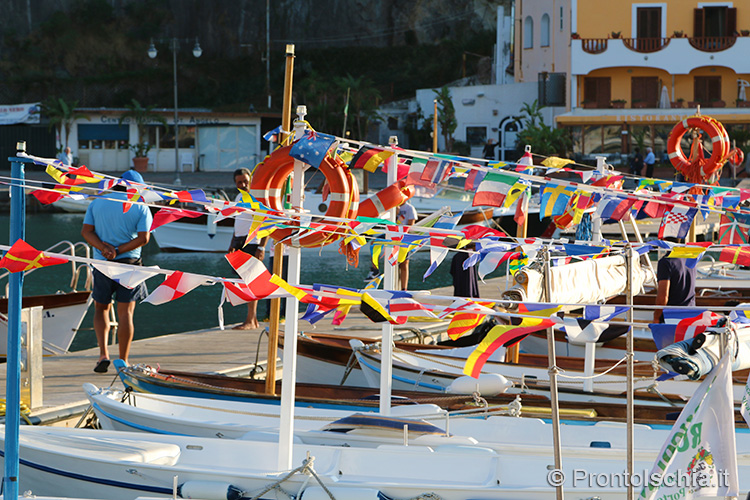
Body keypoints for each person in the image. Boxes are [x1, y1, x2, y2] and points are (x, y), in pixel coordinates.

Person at [81, 169, 152, 373]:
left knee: (101, 308)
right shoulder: (140, 206)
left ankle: (103, 354)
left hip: (102, 263)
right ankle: (123, 359)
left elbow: (86, 232)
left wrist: (105, 249)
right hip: (129, 262)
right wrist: (119, 250)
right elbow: (143, 239)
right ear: (136, 187)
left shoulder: (97, 202)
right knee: (126, 313)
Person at [228, 167, 267, 330]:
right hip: (239, 242)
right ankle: (253, 320)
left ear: (251, 180)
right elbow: (239, 224)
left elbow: (266, 222)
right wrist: (231, 244)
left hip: (252, 242)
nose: (243, 185)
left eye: (245, 181)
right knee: (243, 281)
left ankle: (250, 320)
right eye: (239, 182)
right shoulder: (238, 197)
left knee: (249, 281)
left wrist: (262, 247)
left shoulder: (256, 197)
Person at [653, 253, 696, 324]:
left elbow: (663, 296)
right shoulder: (690, 259)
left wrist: (656, 317)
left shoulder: (666, 262)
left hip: (671, 316)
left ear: (664, 241)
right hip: (690, 313)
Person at [397, 200, 417, 291]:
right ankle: (374, 270)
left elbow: (410, 224)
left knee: (404, 263)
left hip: (404, 238)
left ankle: (404, 288)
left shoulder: (409, 208)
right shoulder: (393, 208)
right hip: (393, 236)